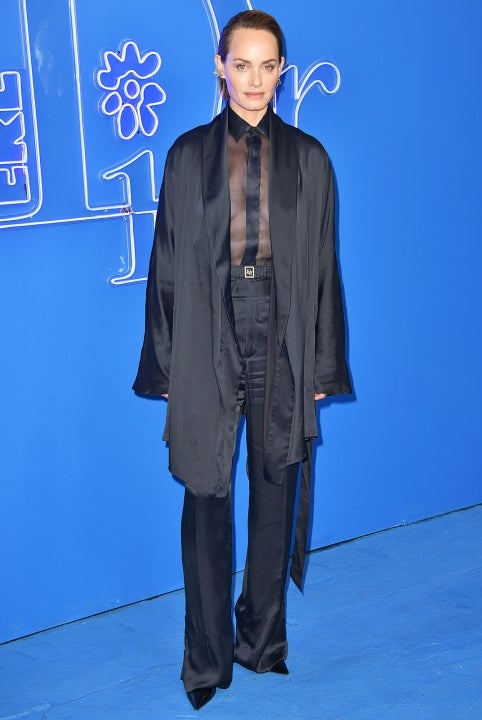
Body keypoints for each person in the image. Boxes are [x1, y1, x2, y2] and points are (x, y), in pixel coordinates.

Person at [133, 10, 351, 711]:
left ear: (282, 71)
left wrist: (323, 366)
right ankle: (206, 660)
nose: (254, 80)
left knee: (275, 483)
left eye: (268, 66)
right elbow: (166, 266)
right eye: (241, 64)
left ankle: (261, 640)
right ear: (220, 68)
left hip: (283, 327)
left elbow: (323, 268)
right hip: (208, 324)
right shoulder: (186, 156)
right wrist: (165, 365)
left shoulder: (310, 158)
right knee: (206, 492)